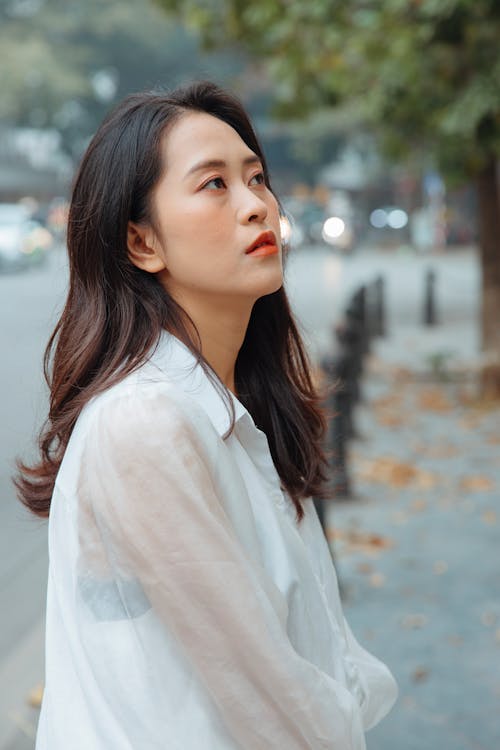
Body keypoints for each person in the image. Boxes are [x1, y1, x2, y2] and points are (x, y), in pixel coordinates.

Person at [16, 80, 397, 749]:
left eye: (256, 177)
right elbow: (270, 703)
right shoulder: (144, 425)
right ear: (141, 243)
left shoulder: (231, 412)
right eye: (214, 185)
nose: (257, 206)